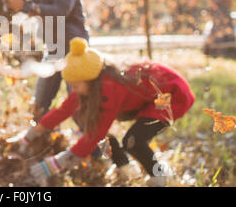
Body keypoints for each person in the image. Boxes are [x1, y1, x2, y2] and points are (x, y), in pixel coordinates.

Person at [14, 37, 195, 187]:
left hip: (171, 97)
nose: (73, 90)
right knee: (105, 136)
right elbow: (63, 110)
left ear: (89, 82)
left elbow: (94, 135)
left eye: (75, 86)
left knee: (133, 141)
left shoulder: (109, 89)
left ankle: (160, 177)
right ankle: (126, 169)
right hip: (148, 98)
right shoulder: (90, 82)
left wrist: (56, 164)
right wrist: (30, 135)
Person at [6, 0, 89, 121]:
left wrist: (27, 6)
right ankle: (39, 143)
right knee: (39, 104)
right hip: (53, 50)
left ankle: (92, 146)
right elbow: (22, 1)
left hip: (73, 51)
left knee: (79, 106)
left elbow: (59, 11)